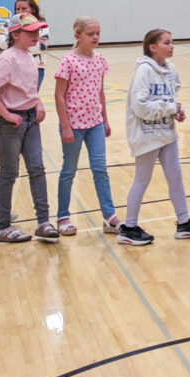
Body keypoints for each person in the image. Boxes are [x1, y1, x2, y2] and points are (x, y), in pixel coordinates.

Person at [119, 29, 190, 245]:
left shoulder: (170, 70)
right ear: (153, 47)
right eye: (167, 43)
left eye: (172, 42)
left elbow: (171, 99)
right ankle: (129, 227)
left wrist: (177, 111)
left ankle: (184, 223)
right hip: (146, 134)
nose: (172, 46)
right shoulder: (143, 71)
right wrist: (169, 108)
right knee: (142, 179)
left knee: (175, 176)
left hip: (166, 133)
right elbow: (139, 107)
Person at [0, 14, 58, 242]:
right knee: (9, 173)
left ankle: (43, 222)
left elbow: (29, 90)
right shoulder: (7, 59)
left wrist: (37, 102)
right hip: (8, 123)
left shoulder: (29, 57)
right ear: (15, 34)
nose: (36, 35)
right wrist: (6, 114)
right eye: (31, 32)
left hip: (29, 120)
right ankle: (2, 227)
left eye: (38, 31)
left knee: (37, 169)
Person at [54, 17, 120, 236]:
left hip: (96, 124)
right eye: (90, 34)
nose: (95, 37)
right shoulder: (68, 61)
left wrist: (106, 119)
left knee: (100, 168)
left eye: (98, 33)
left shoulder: (100, 60)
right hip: (73, 125)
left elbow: (100, 92)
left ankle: (109, 216)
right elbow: (59, 95)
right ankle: (63, 215)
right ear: (77, 36)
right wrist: (65, 126)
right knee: (69, 171)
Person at [0, 0, 50, 88]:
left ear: (32, 9)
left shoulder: (42, 24)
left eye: (24, 8)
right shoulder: (8, 23)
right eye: (17, 9)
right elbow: (1, 43)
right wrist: (24, 45)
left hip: (36, 67)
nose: (20, 11)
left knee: (30, 98)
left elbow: (41, 47)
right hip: (12, 67)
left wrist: (16, 45)